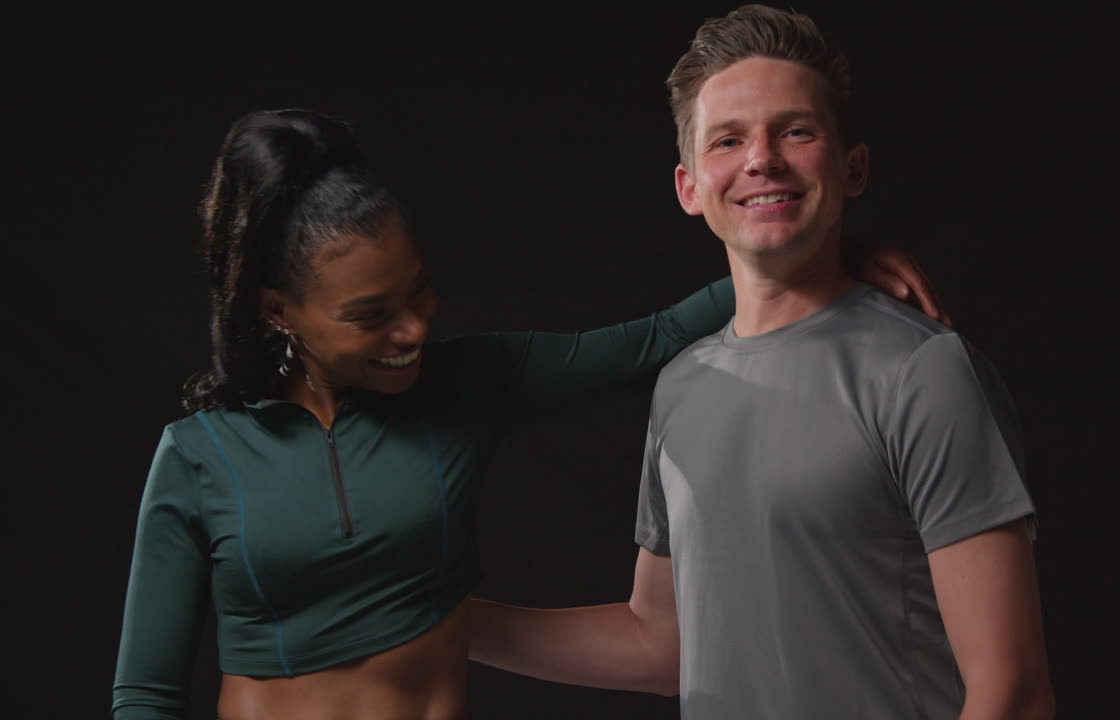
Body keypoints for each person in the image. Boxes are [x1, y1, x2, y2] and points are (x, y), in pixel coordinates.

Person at [110, 108, 944, 719]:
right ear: (278, 311)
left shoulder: (467, 386)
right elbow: (146, 692)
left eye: (420, 292)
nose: (414, 329)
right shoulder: (198, 456)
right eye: (371, 315)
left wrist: (818, 260)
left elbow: (653, 338)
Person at [468, 5, 1055, 719]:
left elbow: (1013, 693)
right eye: (728, 140)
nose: (761, 159)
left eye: (796, 130)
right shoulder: (683, 385)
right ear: (690, 187)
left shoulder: (924, 372)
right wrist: (438, 622)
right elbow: (662, 645)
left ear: (853, 165)